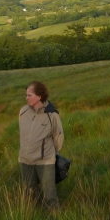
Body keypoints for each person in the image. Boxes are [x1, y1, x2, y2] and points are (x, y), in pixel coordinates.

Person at [19, 81, 64, 209]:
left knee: (50, 195)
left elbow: (58, 137)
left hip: (44, 162)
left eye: (29, 95)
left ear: (39, 96)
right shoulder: (23, 111)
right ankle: (31, 217)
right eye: (26, 95)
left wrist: (48, 153)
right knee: (29, 193)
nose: (26, 98)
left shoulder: (52, 115)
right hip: (25, 160)